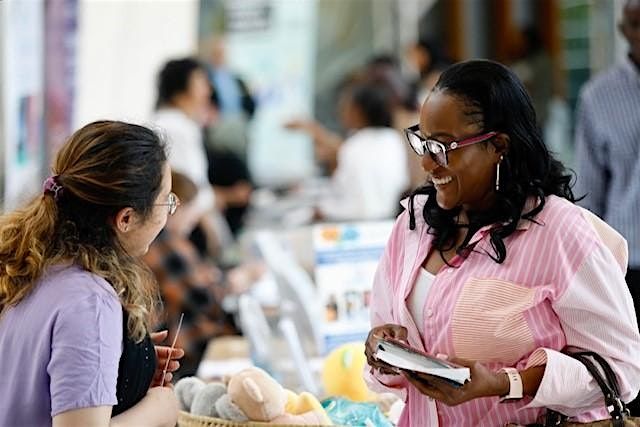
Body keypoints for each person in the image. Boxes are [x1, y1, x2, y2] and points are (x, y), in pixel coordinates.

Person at [363, 60, 640, 426]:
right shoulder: (412, 225)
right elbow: (391, 376)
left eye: (444, 146)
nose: (429, 163)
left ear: (498, 146)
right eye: (423, 142)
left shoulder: (556, 231)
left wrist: (504, 383)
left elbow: (620, 372)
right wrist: (383, 350)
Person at [0, 121, 183, 426]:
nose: (168, 212)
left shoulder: (25, 269)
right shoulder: (90, 303)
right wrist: (161, 408)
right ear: (126, 218)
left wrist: (117, 366)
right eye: (167, 201)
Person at [574, 0, 640, 412]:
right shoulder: (598, 96)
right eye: (637, 24)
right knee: (632, 383)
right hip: (631, 266)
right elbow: (590, 193)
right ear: (623, 29)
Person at [144, 171, 258, 377]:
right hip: (185, 352)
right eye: (191, 209)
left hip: (181, 348)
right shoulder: (163, 244)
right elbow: (201, 298)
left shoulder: (168, 242)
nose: (194, 218)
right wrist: (233, 282)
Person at [288, 82, 409, 221]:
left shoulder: (354, 144)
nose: (341, 111)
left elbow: (356, 203)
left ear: (359, 111)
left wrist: (321, 210)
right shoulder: (393, 139)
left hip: (357, 224)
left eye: (346, 106)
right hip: (389, 221)